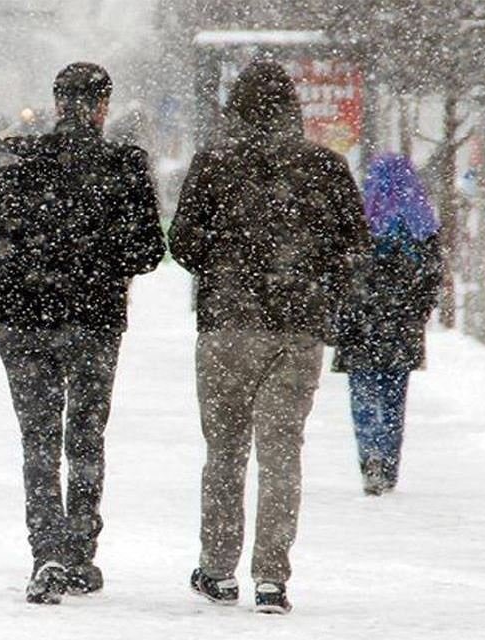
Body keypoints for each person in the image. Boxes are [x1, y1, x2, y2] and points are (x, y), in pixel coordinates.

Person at [168, 61, 372, 614]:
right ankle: (272, 578)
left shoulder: (213, 164)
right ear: (293, 108)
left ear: (234, 108)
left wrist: (227, 262)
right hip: (299, 328)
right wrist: (311, 275)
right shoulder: (325, 167)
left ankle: (217, 569)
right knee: (282, 455)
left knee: (225, 451)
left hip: (227, 326)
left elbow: (182, 243)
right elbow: (355, 243)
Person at [0, 62, 165, 604]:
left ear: (58, 101)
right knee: (85, 435)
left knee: (37, 440)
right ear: (103, 105)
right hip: (95, 320)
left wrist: (6, 307)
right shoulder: (123, 165)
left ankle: (48, 552)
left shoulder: (18, 160)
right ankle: (82, 550)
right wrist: (99, 259)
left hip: (26, 321)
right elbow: (149, 252)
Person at [333, 153, 442, 496]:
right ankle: (389, 463)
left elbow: (340, 268)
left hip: (360, 321)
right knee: (394, 398)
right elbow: (432, 277)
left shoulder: (361, 215)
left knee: (363, 394)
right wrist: (417, 312)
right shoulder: (422, 223)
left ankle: (370, 459)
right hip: (401, 325)